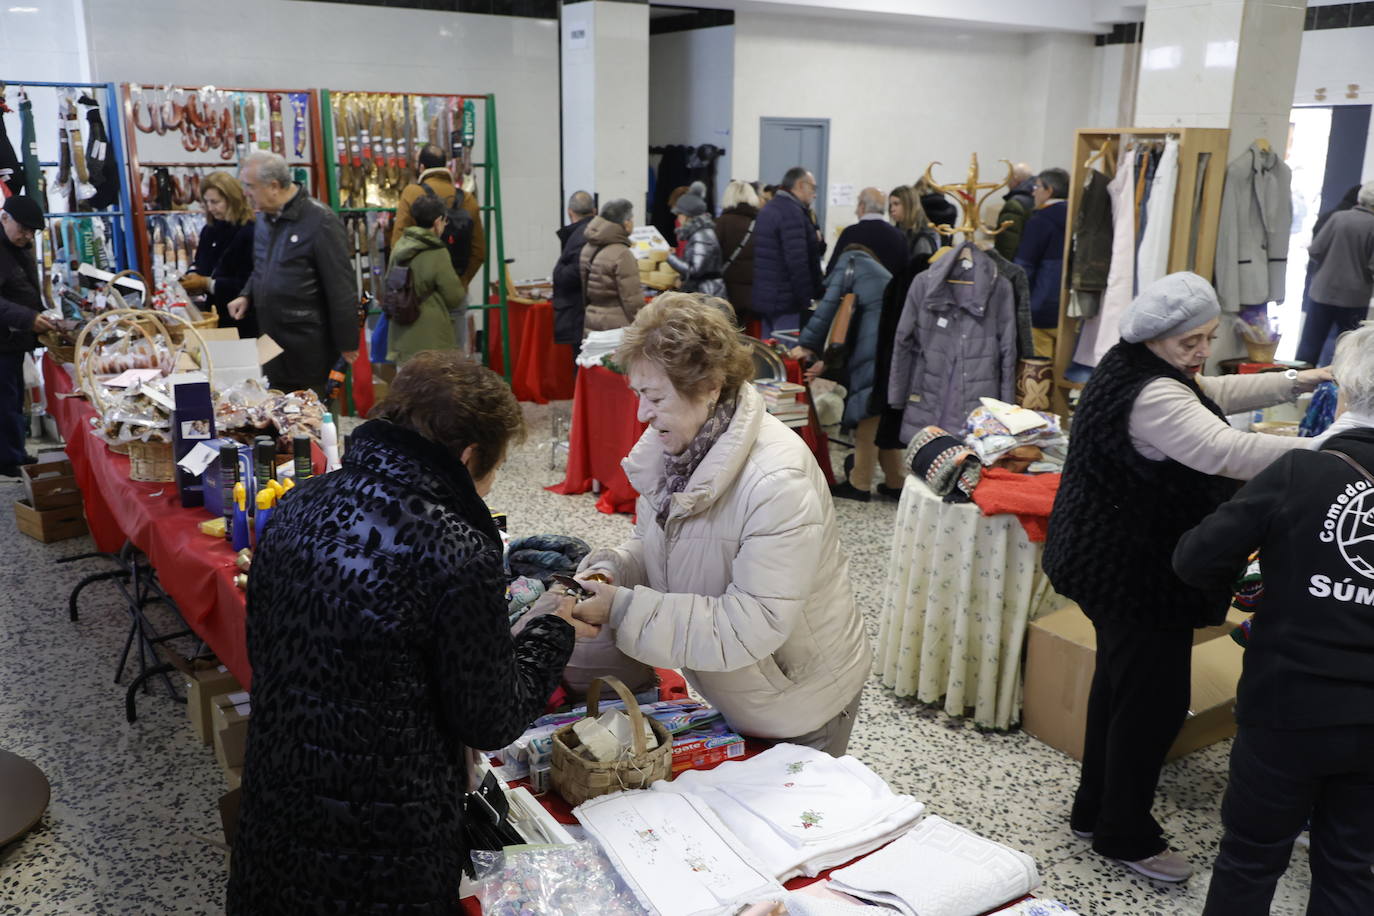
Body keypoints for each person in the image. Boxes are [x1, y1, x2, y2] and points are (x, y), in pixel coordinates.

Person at [226, 352, 588, 916]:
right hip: (386, 831)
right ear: (469, 456)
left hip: (282, 795)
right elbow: (490, 717)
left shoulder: (300, 504)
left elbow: (272, 652)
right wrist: (554, 626)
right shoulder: (453, 546)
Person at [1041, 271, 1331, 884]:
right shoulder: (1149, 394)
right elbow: (1224, 449)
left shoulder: (1139, 367)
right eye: (1190, 344)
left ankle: (1095, 812)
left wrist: (1298, 381)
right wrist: (1331, 448)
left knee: (1121, 688)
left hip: (1112, 562)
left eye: (1207, 339)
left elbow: (1207, 394)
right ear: (1159, 339)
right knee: (1153, 701)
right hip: (1135, 573)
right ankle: (1124, 833)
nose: (1200, 354)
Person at [568, 293, 871, 754]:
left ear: (709, 385)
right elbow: (657, 548)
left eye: (653, 397)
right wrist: (611, 571)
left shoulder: (776, 480)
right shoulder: (671, 455)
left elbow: (752, 622)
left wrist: (622, 609)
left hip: (800, 704)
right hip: (741, 689)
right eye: (637, 395)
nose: (641, 414)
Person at [1172, 325, 1374, 915]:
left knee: (1251, 857)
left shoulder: (1299, 474)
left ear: (1341, 388)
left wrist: (1262, 583)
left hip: (1287, 702)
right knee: (1350, 867)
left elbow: (1194, 559)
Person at [228, 152, 358, 395]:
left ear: (274, 186)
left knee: (313, 419)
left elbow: (341, 288)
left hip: (309, 345)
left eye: (250, 186)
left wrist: (348, 343)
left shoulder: (321, 221)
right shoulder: (265, 219)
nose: (246, 193)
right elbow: (263, 266)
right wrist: (246, 295)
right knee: (278, 416)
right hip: (271, 341)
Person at [790, 243, 893, 501]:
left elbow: (827, 311)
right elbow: (846, 322)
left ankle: (859, 483)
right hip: (889, 349)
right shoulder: (878, 272)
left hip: (872, 350)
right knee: (881, 418)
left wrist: (806, 344)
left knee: (867, 417)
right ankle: (896, 479)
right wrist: (824, 361)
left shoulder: (850, 263)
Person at [391, 144, 486, 351]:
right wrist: (460, 280)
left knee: (419, 368)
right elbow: (479, 251)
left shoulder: (412, 192)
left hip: (417, 299)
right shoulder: (467, 200)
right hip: (455, 294)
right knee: (454, 366)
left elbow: (398, 245)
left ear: (421, 166)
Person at [0, 195, 52, 477]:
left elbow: (24, 288)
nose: (28, 235)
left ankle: (14, 453)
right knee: (6, 402)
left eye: (32, 230)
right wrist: (29, 318)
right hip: (4, 340)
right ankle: (9, 460)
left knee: (14, 398)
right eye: (24, 229)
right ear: (4, 217)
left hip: (13, 339)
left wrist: (41, 312)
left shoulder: (18, 245)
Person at [1298, 179, 1374, 366]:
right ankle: (1334, 392)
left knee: (1309, 346)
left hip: (1323, 291)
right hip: (1354, 298)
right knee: (1347, 350)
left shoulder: (1338, 217)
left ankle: (1296, 388)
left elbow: (1315, 250)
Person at [386, 195, 466, 366]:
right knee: (433, 390)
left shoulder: (400, 245)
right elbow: (454, 296)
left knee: (407, 389)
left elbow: (388, 281)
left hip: (401, 335)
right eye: (445, 221)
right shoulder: (437, 252)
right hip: (432, 341)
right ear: (438, 221)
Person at [181, 170, 256, 336]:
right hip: (214, 315)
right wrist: (191, 275)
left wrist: (207, 283)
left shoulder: (250, 232)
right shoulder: (209, 230)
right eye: (206, 202)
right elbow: (200, 262)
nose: (210, 208)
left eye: (215, 202)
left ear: (232, 200)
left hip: (241, 317)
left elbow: (249, 282)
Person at [753, 167, 822, 336]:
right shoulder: (791, 213)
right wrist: (807, 300)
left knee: (769, 354)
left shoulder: (769, 209)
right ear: (800, 185)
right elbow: (797, 262)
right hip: (786, 301)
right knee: (786, 354)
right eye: (813, 188)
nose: (814, 194)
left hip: (766, 296)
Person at [1014, 168, 1070, 359]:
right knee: (1063, 368)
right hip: (1071, 308)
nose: (1033, 191)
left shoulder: (1040, 221)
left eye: (1037, 186)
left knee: (1038, 371)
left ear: (1049, 190)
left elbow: (1024, 266)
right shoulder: (1079, 217)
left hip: (1041, 306)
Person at [579, 198, 644, 336]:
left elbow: (584, 288)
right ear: (626, 223)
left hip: (591, 317)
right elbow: (631, 299)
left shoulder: (587, 248)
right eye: (632, 219)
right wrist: (644, 325)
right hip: (618, 323)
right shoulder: (622, 254)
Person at [826, 187, 908, 278]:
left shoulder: (849, 234)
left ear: (862, 207)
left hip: (855, 291)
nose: (855, 211)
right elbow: (905, 273)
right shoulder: (899, 236)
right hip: (889, 291)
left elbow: (832, 270)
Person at [666, 182, 726, 300]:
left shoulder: (701, 235)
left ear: (688, 215)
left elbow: (695, 270)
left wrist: (671, 258)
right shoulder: (698, 233)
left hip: (706, 294)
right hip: (704, 292)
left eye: (680, 214)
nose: (678, 218)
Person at [552, 190, 596, 348]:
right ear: (594, 211)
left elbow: (571, 275)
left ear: (569, 212)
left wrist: (559, 270)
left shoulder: (579, 236)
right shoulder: (596, 232)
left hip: (579, 312)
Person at [715, 179, 760, 324]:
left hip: (726, 293)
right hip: (753, 294)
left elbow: (714, 258)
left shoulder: (721, 223)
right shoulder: (759, 224)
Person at [888, 185, 940, 266]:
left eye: (896, 204)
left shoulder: (924, 236)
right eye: (891, 205)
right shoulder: (895, 232)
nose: (892, 209)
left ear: (909, 205)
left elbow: (920, 271)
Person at [993, 162, 1036, 259]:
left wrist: (1003, 264)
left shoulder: (1014, 204)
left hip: (1017, 260)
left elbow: (1007, 241)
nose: (1006, 182)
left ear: (1015, 178)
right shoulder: (1036, 197)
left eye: (1007, 178)